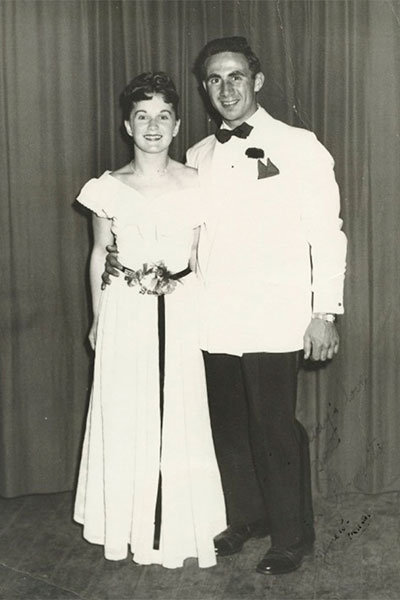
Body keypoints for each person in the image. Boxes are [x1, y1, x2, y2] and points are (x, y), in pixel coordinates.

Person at [104, 37, 347, 575]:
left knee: (273, 427)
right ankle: (249, 516)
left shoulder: (300, 145)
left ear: (257, 81)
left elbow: (328, 234)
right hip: (210, 316)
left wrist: (324, 311)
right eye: (214, 80)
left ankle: (291, 536)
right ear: (204, 89)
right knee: (229, 427)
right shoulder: (196, 155)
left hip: (276, 314)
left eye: (236, 76)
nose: (226, 88)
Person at [73, 72, 226, 569]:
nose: (153, 126)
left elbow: (205, 256)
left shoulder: (199, 183)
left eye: (163, 116)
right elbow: (100, 253)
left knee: (180, 410)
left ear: (177, 124)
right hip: (125, 309)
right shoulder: (108, 187)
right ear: (127, 125)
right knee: (128, 410)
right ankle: (127, 526)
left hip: (182, 308)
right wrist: (98, 319)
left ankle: (179, 527)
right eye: (143, 116)